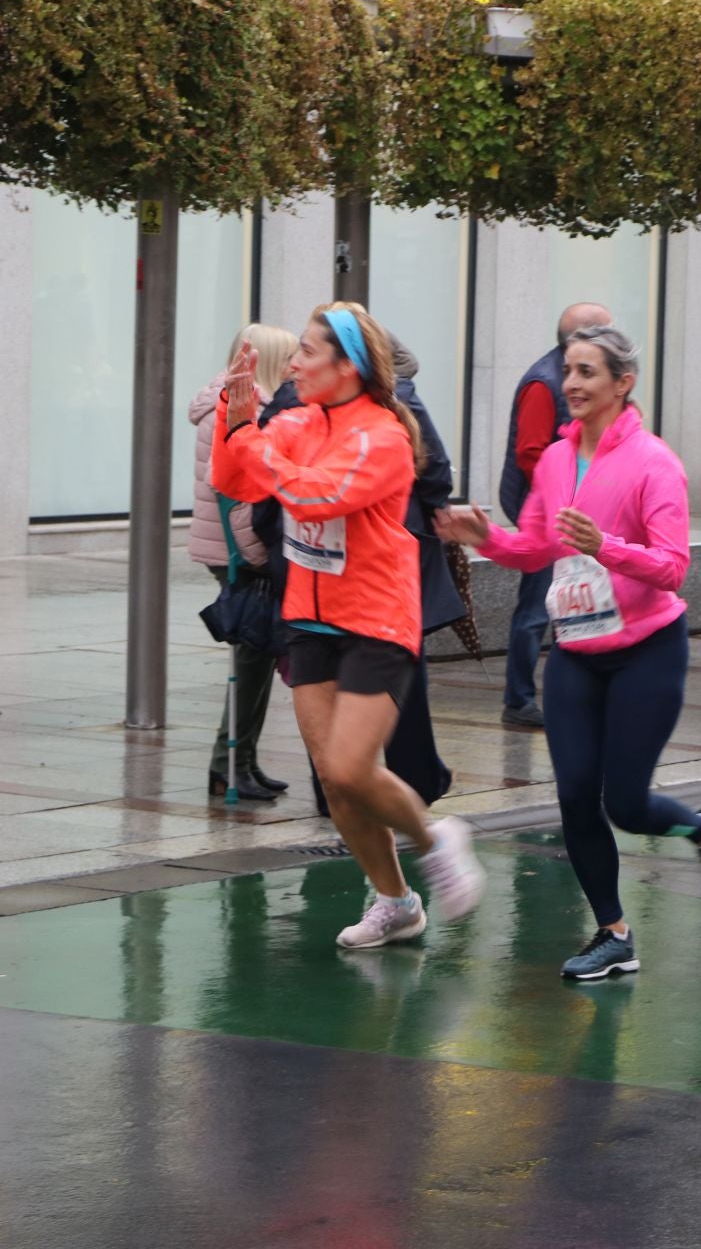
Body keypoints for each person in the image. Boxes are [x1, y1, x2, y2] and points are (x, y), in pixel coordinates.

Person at [438, 325, 701, 981]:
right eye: (568, 371)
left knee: (625, 805)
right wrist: (484, 537)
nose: (571, 384)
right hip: (575, 649)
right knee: (576, 796)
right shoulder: (555, 459)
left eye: (586, 372)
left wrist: (605, 546)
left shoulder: (655, 462)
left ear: (622, 383)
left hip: (647, 650)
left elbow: (673, 567)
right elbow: (536, 549)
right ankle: (613, 933)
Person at [212, 301, 486, 950]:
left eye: (308, 352)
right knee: (335, 780)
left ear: (348, 367)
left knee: (350, 764)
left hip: (376, 619)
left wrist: (254, 442)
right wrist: (235, 415)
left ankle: (436, 839)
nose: (294, 364)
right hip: (309, 619)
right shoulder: (298, 421)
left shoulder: (384, 436)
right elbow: (236, 479)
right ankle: (397, 903)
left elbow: (316, 496)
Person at [264, 333, 463, 810]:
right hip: (371, 580)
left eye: (306, 352)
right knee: (399, 690)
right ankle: (414, 787)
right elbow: (435, 473)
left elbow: (261, 485)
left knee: (328, 694)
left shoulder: (290, 401)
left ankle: (336, 795)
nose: (296, 363)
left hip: (307, 575)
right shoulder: (394, 402)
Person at [189, 321, 295, 802]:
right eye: (288, 357)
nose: (295, 365)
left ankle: (242, 761)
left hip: (240, 547)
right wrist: (258, 555)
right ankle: (228, 764)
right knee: (252, 658)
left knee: (259, 656)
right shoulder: (234, 407)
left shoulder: (248, 403)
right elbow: (232, 491)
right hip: (239, 551)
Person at [498, 301, 613, 728]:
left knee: (572, 600)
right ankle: (518, 700)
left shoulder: (569, 378)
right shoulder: (545, 383)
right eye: (608, 332)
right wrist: (564, 500)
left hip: (569, 508)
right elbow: (531, 453)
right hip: (548, 510)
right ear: (583, 338)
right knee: (535, 609)